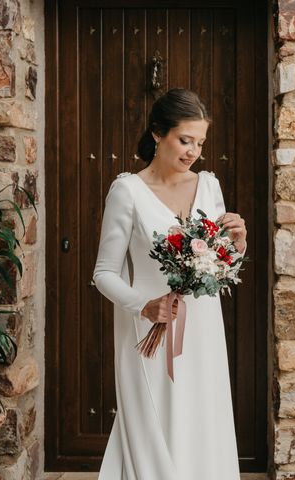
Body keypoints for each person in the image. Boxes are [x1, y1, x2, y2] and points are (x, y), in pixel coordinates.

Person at [92, 88, 247, 480]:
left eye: (200, 143)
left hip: (203, 324)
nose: (193, 151)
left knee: (202, 416)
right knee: (156, 419)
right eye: (185, 140)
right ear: (158, 133)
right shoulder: (127, 191)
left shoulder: (209, 186)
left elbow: (219, 262)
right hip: (148, 326)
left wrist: (238, 244)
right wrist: (143, 306)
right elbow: (104, 273)